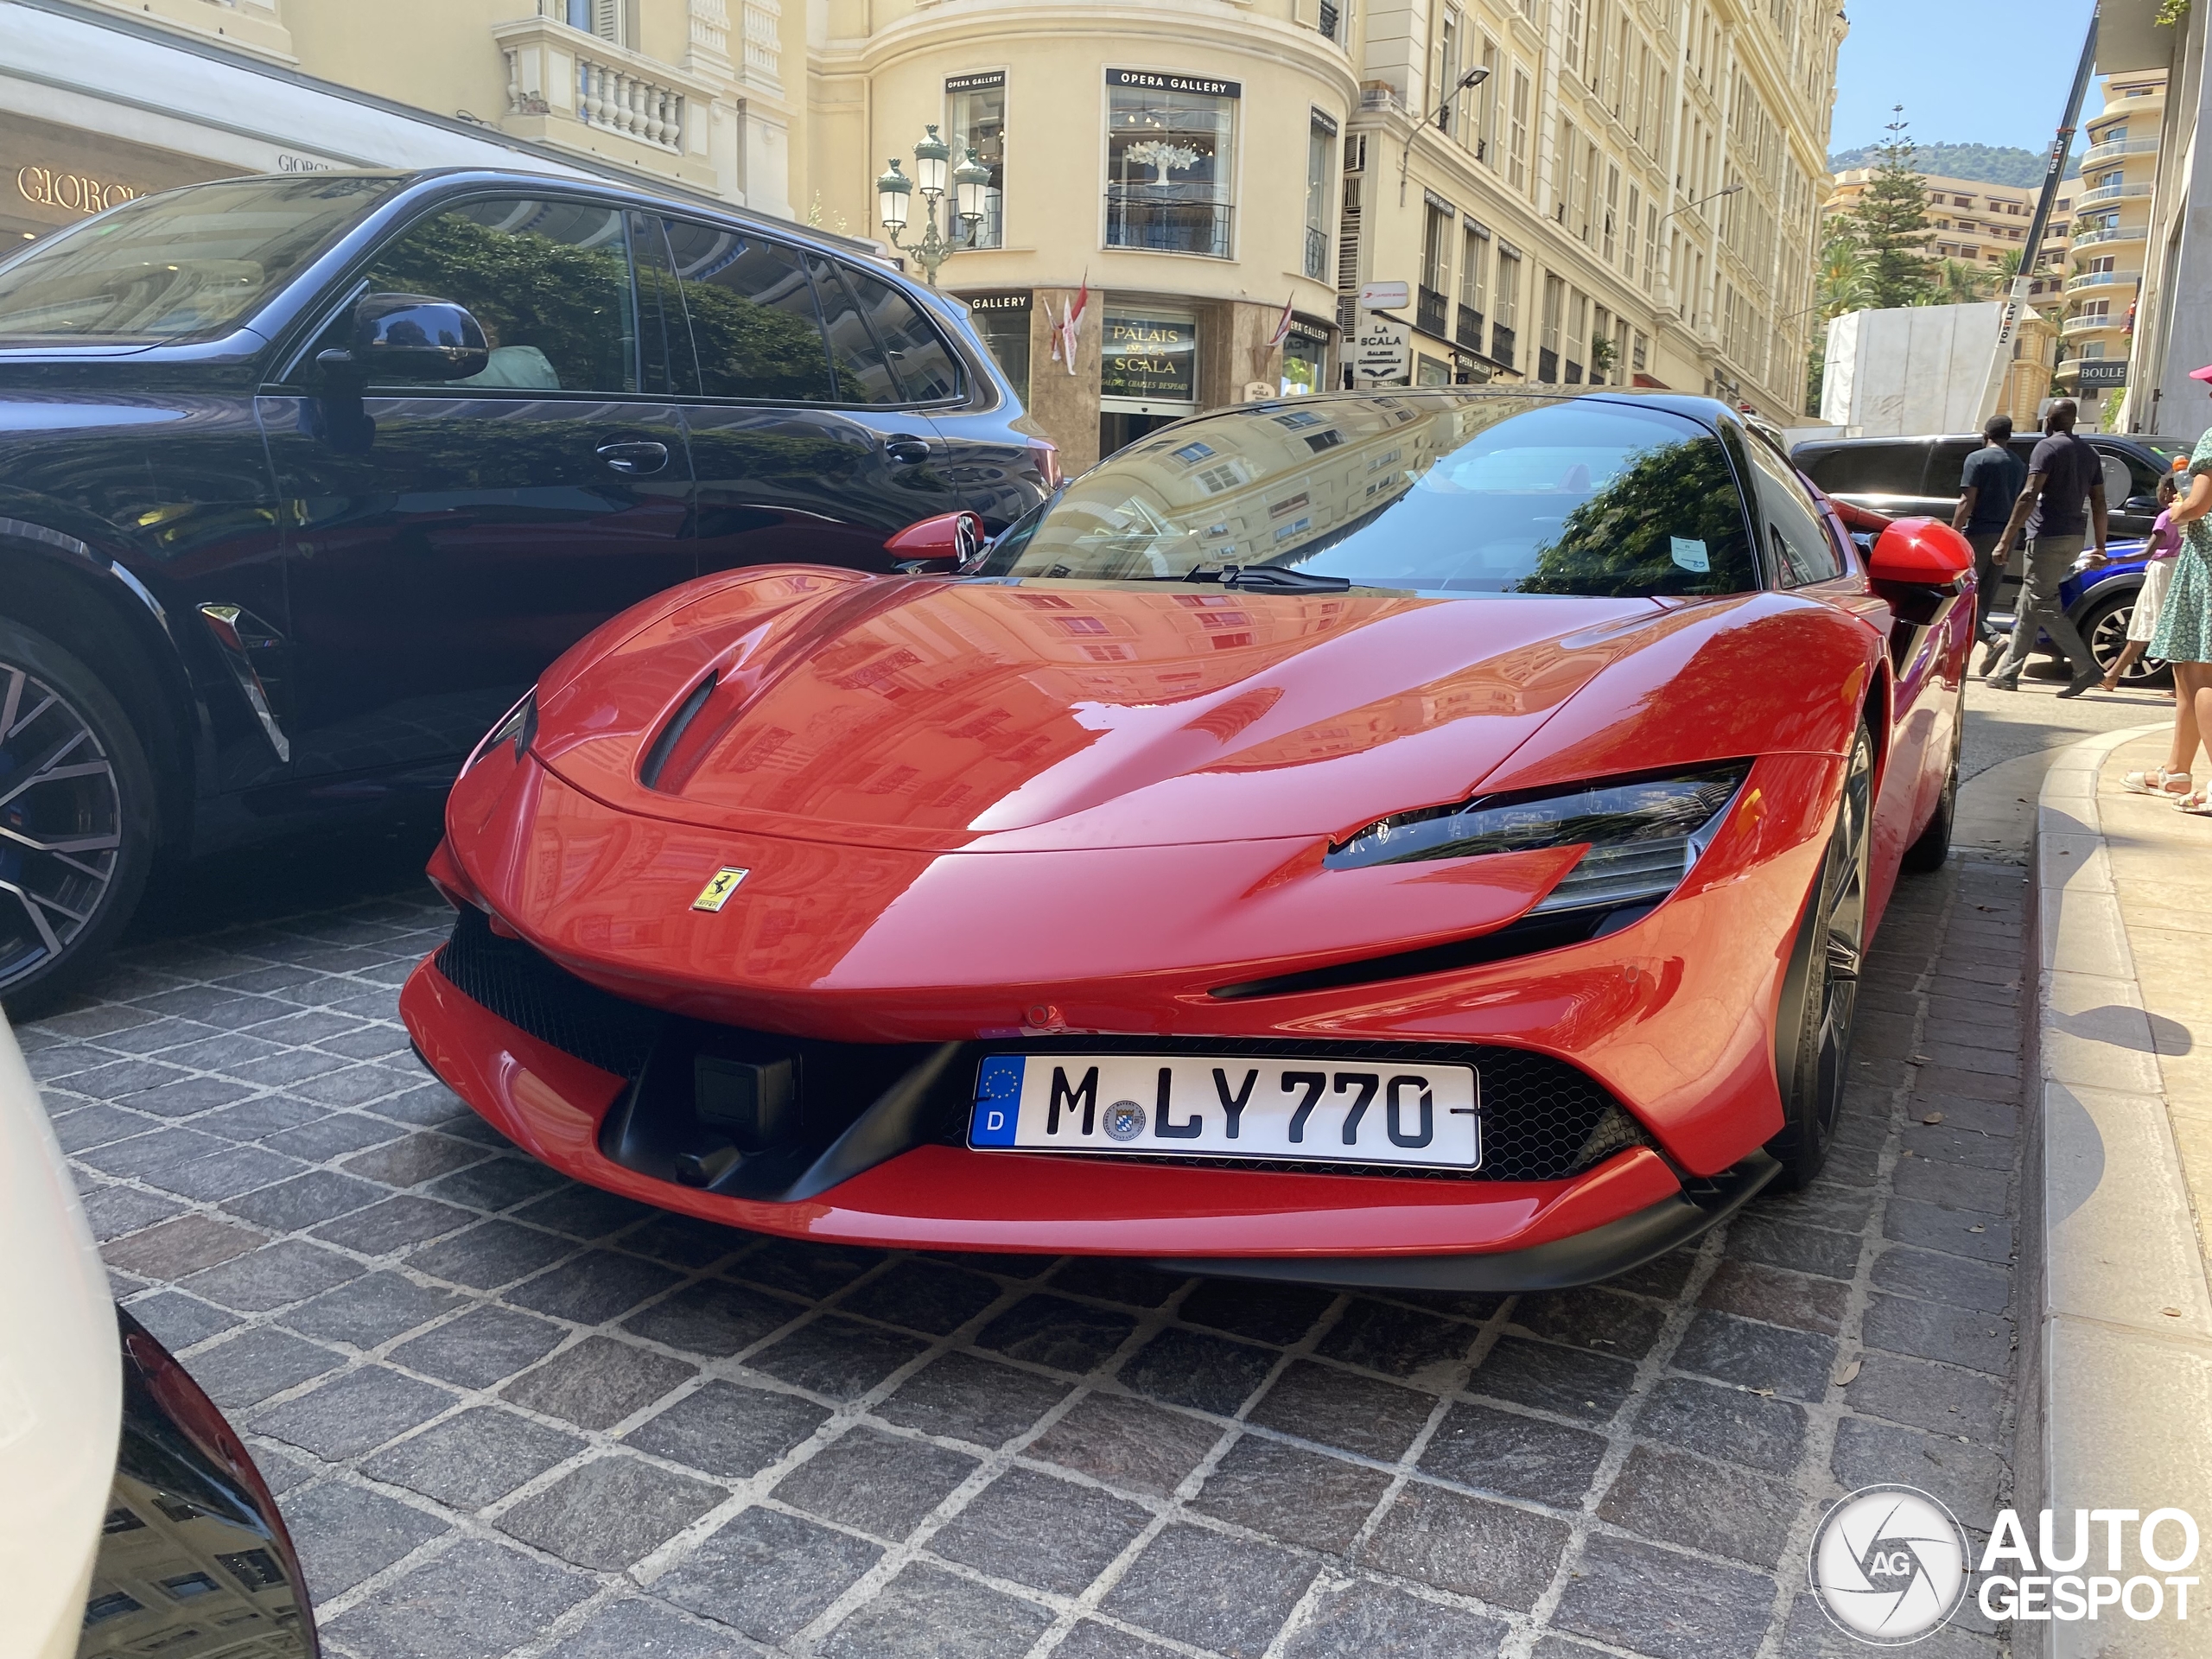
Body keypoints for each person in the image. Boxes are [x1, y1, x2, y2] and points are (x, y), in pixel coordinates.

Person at [1985, 399, 2109, 697]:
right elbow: (2099, 501)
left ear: (2049, 421)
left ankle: (2085, 666)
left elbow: (2029, 495)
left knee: (2042, 603)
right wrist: (2101, 546)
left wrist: (2006, 537)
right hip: (2073, 537)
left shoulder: (2047, 448)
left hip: (2047, 537)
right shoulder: (2089, 453)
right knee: (2029, 602)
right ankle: (2009, 672)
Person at [2155, 368, 2212, 813]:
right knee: (2188, 673)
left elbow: (2198, 503)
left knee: (2198, 674)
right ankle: (2177, 771)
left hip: (2207, 568)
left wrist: (2176, 511)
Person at [1952, 414, 2027, 671]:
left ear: (1986, 435)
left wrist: (1953, 533)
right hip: (2007, 537)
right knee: (1983, 599)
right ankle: (1964, 662)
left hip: (1980, 534)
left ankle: (1993, 640)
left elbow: (1966, 500)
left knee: (1965, 595)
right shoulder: (2018, 464)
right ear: (2009, 437)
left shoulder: (1977, 459)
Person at [2101, 465, 2181, 696]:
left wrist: (2112, 561)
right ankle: (2178, 687)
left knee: (2146, 623)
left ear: (2167, 490)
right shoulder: (2187, 514)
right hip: (2177, 569)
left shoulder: (2166, 517)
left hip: (2161, 572)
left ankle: (2112, 675)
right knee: (2172, 627)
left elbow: (2147, 552)